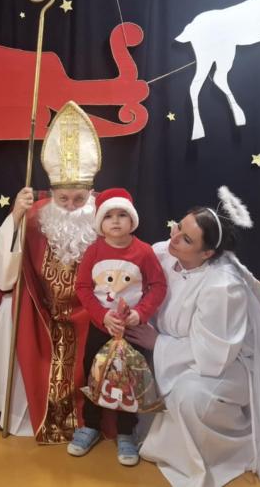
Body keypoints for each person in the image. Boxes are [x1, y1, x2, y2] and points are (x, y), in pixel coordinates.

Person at [126, 186, 260, 487]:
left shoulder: (222, 287)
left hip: (227, 366)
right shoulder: (164, 253)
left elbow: (214, 355)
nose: (174, 237)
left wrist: (158, 344)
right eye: (178, 227)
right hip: (175, 352)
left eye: (187, 239)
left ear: (207, 253)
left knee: (191, 397)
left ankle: (233, 451)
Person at [0, 102, 101, 444]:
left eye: (79, 199)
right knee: (9, 308)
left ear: (90, 194)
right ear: (52, 193)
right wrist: (15, 215)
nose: (71, 207)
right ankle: (19, 408)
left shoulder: (104, 219)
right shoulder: (36, 215)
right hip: (39, 312)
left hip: (88, 314)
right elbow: (4, 275)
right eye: (64, 199)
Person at [70, 188, 167, 465]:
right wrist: (102, 316)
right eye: (108, 216)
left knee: (128, 380)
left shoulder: (144, 252)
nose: (115, 221)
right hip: (101, 328)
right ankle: (90, 425)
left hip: (131, 331)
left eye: (122, 214)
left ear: (132, 219)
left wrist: (140, 313)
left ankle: (126, 432)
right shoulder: (94, 251)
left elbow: (158, 286)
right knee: (94, 374)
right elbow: (83, 287)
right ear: (100, 222)